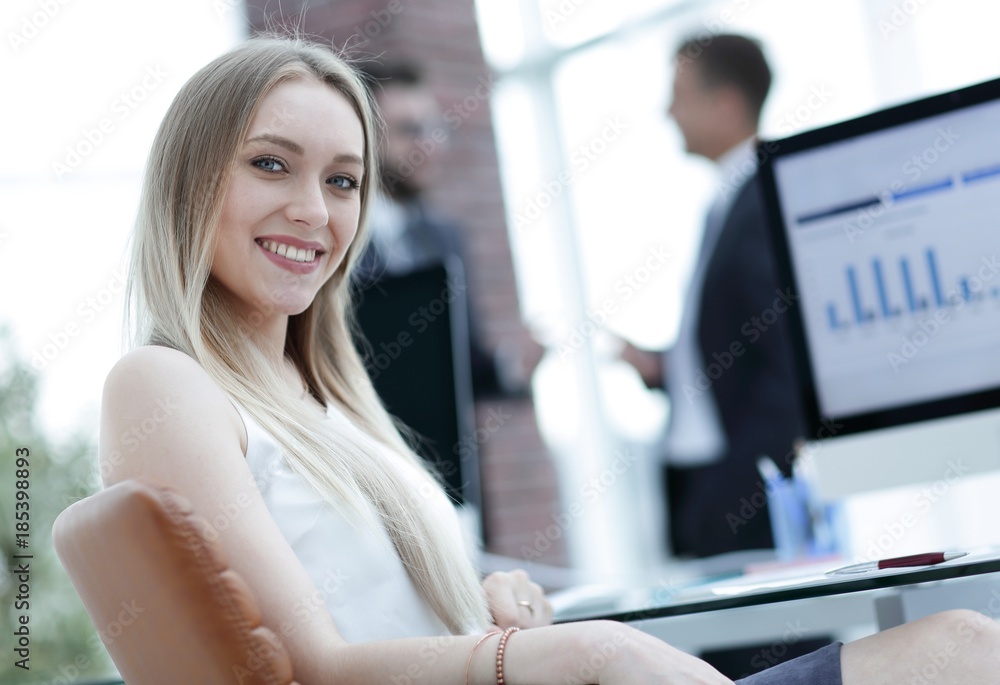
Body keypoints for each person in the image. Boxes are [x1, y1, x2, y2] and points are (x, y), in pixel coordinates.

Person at [98, 34, 1000, 685]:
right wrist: (568, 650)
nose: (314, 209)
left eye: (342, 180)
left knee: (963, 644)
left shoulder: (322, 393)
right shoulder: (164, 382)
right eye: (270, 164)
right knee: (961, 653)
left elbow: (367, 611)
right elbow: (317, 667)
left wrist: (479, 597)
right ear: (191, 178)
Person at [622, 34, 806, 559]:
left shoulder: (764, 199)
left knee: (771, 640)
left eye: (679, 94)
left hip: (742, 487)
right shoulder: (725, 202)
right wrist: (665, 370)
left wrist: (742, 484)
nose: (667, 111)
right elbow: (737, 345)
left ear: (725, 103)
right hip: (710, 479)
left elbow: (781, 364)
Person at [353, 60, 540, 398]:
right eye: (409, 130)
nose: (429, 145)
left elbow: (459, 363)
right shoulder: (335, 234)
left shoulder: (446, 239)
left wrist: (509, 365)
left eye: (434, 129)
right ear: (366, 138)